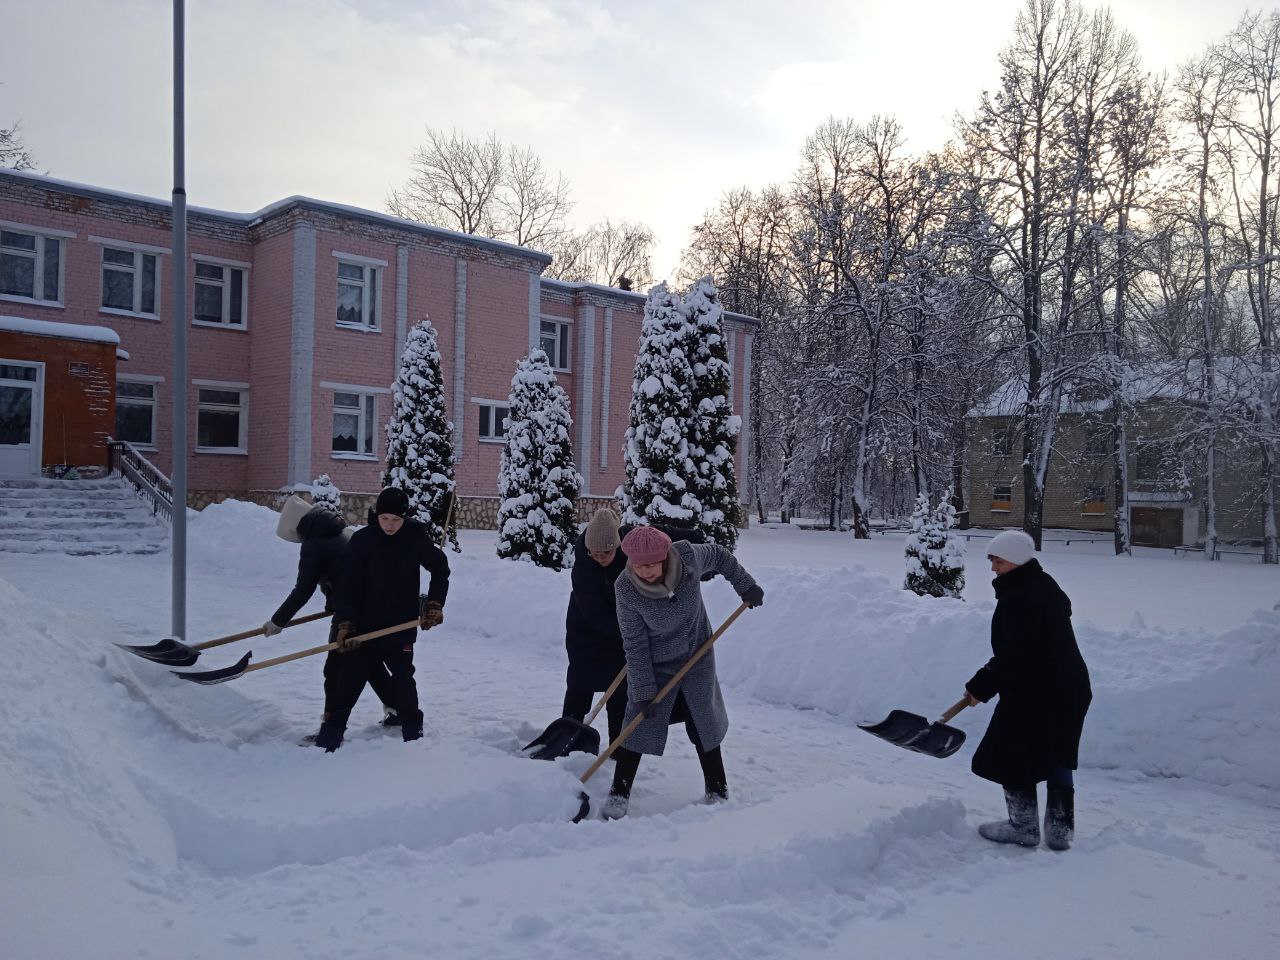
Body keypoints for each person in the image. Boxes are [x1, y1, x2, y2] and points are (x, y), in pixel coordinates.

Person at [602, 525, 764, 820]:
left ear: (665, 557)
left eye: (652, 564)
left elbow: (722, 557)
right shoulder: (625, 589)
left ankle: (717, 787)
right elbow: (635, 644)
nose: (646, 571)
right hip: (657, 661)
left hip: (697, 652)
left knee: (703, 718)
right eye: (639, 565)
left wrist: (745, 584)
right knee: (637, 722)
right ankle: (619, 791)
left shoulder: (688, 556)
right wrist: (643, 692)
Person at [964, 530, 1092, 851]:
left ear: (1018, 560)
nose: (993, 567)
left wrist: (981, 686)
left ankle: (1023, 827)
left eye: (998, 560)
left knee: (1010, 751)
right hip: (1070, 686)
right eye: (991, 560)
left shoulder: (1019, 598)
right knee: (1058, 752)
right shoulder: (1044, 586)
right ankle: (1060, 831)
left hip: (1036, 689)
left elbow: (1014, 655)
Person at [319, 487, 450, 752]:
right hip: (364, 626)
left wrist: (435, 603)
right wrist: (346, 622)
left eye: (397, 520)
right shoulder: (362, 541)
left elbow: (440, 568)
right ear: (376, 515)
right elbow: (347, 584)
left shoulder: (414, 539)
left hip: (399, 625)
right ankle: (330, 738)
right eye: (385, 518)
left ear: (405, 518)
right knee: (349, 680)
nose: (390, 525)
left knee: (403, 678)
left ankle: (413, 735)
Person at [562, 509, 705, 745]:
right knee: (580, 684)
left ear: (618, 544)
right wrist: (636, 632)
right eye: (594, 553)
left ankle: (618, 746)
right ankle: (567, 737)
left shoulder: (631, 542)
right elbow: (595, 614)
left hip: (624, 629)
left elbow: (662, 533)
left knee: (620, 691)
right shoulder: (583, 569)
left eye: (605, 552)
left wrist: (694, 537)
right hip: (586, 633)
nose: (599, 557)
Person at [267, 495, 402, 730]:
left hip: (351, 612)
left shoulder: (314, 544)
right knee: (368, 662)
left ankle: (331, 724)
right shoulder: (341, 532)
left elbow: (303, 590)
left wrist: (278, 621)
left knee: (336, 669)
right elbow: (342, 571)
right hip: (374, 605)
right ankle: (397, 709)